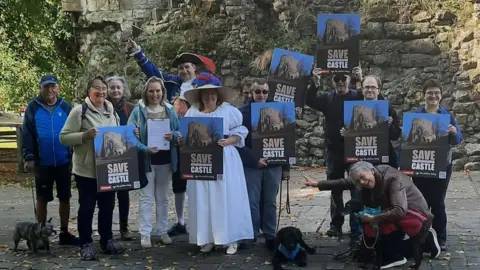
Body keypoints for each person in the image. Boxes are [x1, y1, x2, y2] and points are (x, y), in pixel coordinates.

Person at [303, 161, 441, 269]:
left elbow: (399, 210)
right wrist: (318, 184)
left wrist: (374, 218)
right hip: (393, 211)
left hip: (415, 214)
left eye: (363, 178)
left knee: (383, 231)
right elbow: (344, 182)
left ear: (371, 171)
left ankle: (411, 244)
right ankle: (424, 241)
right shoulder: (363, 175)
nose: (362, 183)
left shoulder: (392, 180)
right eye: (358, 181)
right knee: (381, 236)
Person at [179, 74, 253, 255]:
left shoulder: (229, 111)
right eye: (205, 94)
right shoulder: (193, 112)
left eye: (212, 93)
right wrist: (183, 139)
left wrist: (229, 141)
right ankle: (207, 238)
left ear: (217, 95)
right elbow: (188, 136)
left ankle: (230, 238)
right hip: (200, 161)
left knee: (226, 196)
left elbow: (241, 132)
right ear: (199, 96)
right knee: (202, 198)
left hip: (225, 159)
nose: (209, 97)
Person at [60, 76, 123, 260]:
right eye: (97, 88)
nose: (101, 91)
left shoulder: (113, 112)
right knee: (87, 208)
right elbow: (63, 137)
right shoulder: (79, 111)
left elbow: (117, 137)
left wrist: (131, 134)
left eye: (104, 88)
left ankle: (107, 240)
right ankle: (86, 244)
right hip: (86, 171)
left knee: (108, 207)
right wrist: (84, 135)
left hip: (108, 170)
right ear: (89, 91)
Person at [400, 79, 463, 251]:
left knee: (438, 202)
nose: (433, 96)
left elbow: (458, 140)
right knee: (420, 201)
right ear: (424, 95)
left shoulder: (447, 115)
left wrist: (454, 132)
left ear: (441, 95)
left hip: (442, 166)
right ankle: (421, 235)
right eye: (430, 93)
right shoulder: (416, 116)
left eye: (436, 92)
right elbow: (405, 144)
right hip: (420, 165)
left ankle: (440, 237)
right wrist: (403, 165)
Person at [305, 68, 363, 245]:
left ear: (349, 79)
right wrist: (315, 82)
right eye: (336, 79)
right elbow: (310, 100)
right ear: (332, 82)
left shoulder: (357, 96)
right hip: (334, 150)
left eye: (342, 78)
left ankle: (356, 226)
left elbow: (375, 101)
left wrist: (360, 79)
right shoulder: (328, 98)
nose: (339, 82)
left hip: (355, 149)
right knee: (334, 188)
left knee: (357, 188)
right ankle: (336, 224)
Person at [22, 74, 79, 246]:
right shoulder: (33, 107)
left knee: (65, 197)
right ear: (41, 88)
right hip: (42, 162)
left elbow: (75, 129)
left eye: (53, 86)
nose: (50, 90)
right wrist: (29, 156)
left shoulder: (65, 106)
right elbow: (27, 134)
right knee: (42, 198)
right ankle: (39, 234)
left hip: (63, 161)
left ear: (58, 88)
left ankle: (64, 233)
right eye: (46, 86)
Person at [237, 77, 290, 250]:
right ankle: (251, 233)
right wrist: (254, 160)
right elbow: (238, 142)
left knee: (270, 201)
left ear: (269, 92)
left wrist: (286, 167)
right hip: (252, 165)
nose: (261, 94)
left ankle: (270, 234)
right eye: (257, 91)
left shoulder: (279, 110)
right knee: (251, 201)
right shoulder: (241, 113)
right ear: (251, 92)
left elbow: (286, 140)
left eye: (264, 91)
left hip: (274, 164)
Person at [127, 76, 180, 248]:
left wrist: (174, 135)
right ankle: (145, 233)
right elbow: (129, 134)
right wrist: (144, 148)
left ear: (163, 92)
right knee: (146, 198)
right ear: (146, 92)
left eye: (158, 90)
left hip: (165, 160)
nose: (155, 94)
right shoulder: (138, 110)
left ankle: (162, 231)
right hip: (147, 160)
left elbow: (179, 132)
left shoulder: (170, 109)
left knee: (163, 198)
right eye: (151, 91)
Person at [340, 75, 401, 168]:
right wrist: (345, 133)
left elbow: (395, 136)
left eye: (373, 87)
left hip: (383, 161)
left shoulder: (388, 109)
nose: (370, 90)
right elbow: (345, 132)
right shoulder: (352, 109)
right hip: (360, 161)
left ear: (378, 90)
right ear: (362, 89)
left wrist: (390, 127)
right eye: (367, 87)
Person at [125, 39, 216, 102]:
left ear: (194, 68)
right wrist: (138, 54)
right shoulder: (173, 83)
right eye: (180, 68)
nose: (184, 71)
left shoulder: (205, 83)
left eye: (187, 67)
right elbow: (153, 72)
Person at [106, 76, 136, 241]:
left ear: (123, 90)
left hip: (126, 155)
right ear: (107, 89)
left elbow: (138, 128)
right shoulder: (103, 106)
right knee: (108, 194)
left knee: (124, 194)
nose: (115, 90)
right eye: (112, 87)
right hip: (107, 155)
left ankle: (124, 227)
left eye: (118, 87)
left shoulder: (131, 108)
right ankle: (107, 228)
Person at [167, 94, 191, 237]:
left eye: (182, 104)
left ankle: (195, 221)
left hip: (194, 155)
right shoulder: (171, 115)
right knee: (178, 188)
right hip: (178, 155)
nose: (179, 107)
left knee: (195, 189)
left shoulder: (197, 113)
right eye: (177, 104)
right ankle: (180, 221)